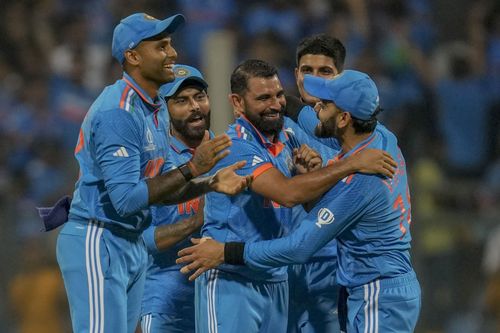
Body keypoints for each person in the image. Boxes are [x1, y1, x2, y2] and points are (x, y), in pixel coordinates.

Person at [178, 70, 422, 333]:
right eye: (265, 97)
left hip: (377, 290)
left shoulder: (362, 179)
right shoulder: (384, 138)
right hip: (379, 286)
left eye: (325, 104)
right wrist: (281, 101)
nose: (315, 106)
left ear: (343, 118)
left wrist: (225, 252)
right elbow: (299, 113)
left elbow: (299, 245)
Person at [55, 13, 251, 333]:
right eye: (161, 47)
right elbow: (126, 201)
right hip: (100, 237)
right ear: (132, 56)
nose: (172, 53)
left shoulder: (155, 108)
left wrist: (209, 183)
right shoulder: (118, 112)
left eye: (171, 44)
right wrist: (193, 168)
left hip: (129, 241)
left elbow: (163, 186)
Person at [140, 64, 211, 333]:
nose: (194, 106)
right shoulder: (153, 161)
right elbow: (141, 241)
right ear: (163, 109)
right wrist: (197, 222)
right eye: (181, 101)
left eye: (199, 97)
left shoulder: (231, 151)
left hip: (220, 295)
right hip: (165, 300)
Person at [284, 34, 347, 333]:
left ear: (340, 77)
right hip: (280, 265)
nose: (314, 78)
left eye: (325, 71)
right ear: (296, 74)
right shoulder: (272, 124)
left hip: (330, 263)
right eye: (307, 70)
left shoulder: (352, 129)